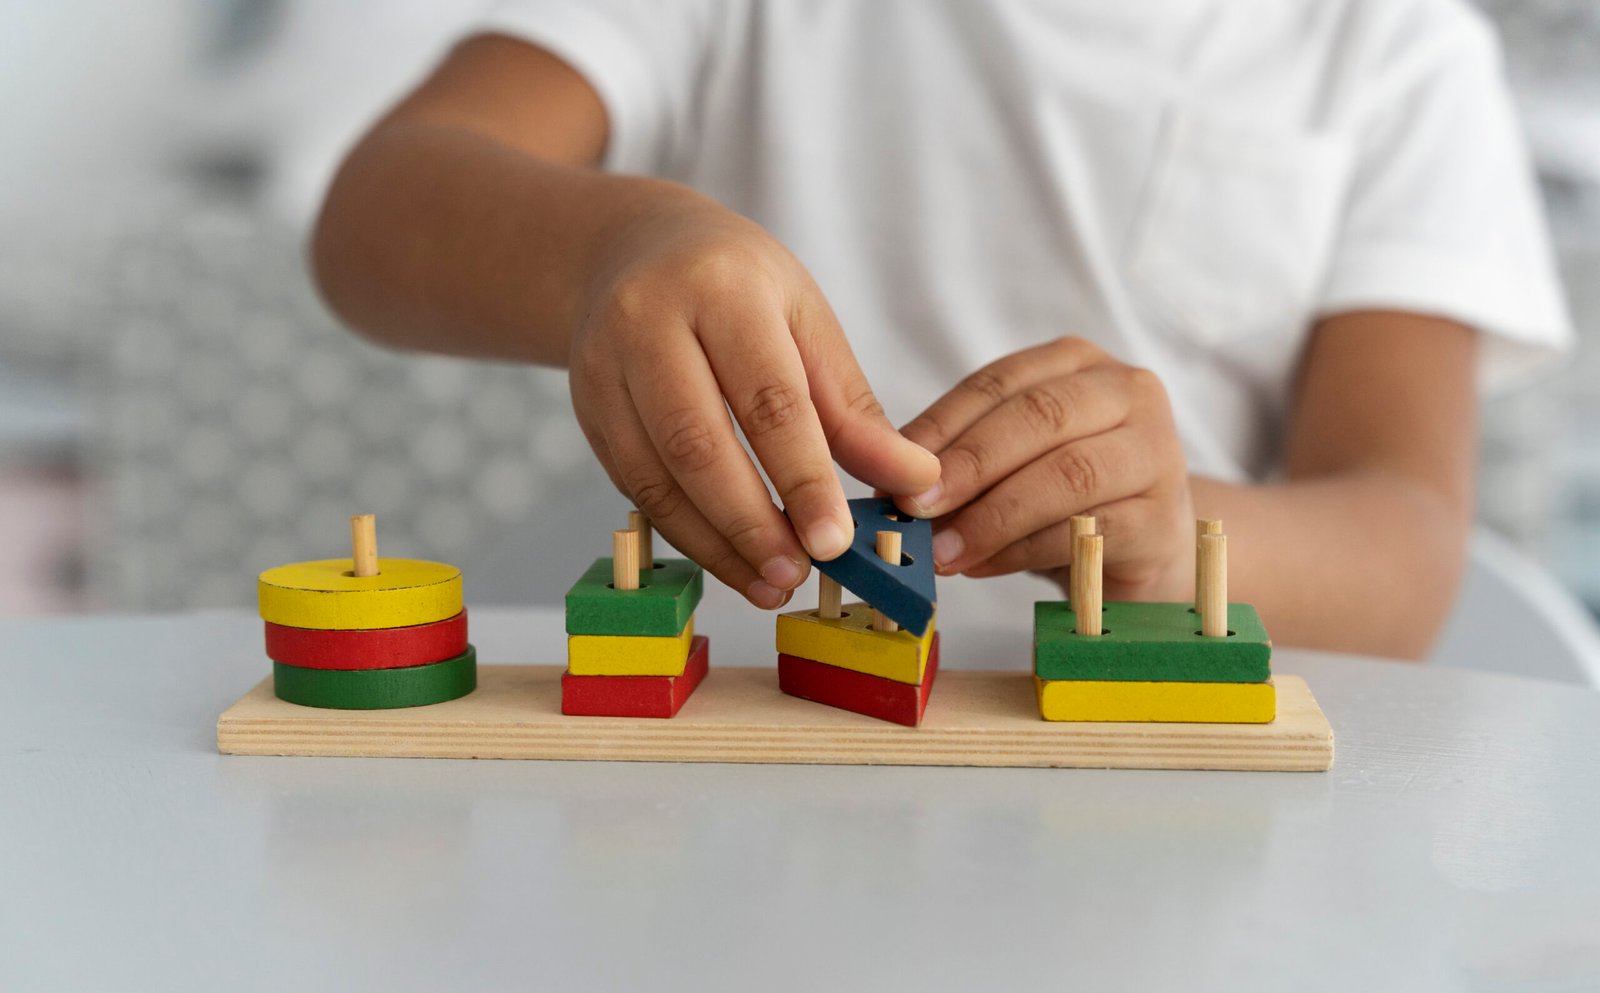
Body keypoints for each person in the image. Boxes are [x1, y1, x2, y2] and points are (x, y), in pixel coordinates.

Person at [311, 0, 1569, 657]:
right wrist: (611, 248)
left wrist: (1168, 538)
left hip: (1146, 815)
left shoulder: (1398, 52)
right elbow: (375, 211)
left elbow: (1403, 535)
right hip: (727, 799)